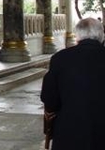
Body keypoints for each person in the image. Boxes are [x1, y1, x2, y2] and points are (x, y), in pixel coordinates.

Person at [40, 18, 105, 150]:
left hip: (70, 131)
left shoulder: (60, 58)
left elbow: (49, 98)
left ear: (77, 36)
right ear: (101, 35)